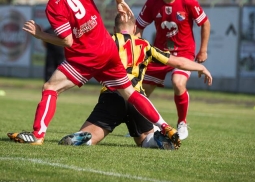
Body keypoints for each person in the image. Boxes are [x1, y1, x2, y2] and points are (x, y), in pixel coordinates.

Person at [7, 0, 181, 148]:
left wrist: (41, 35)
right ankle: (164, 126)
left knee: (50, 87)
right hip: (108, 50)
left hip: (85, 58)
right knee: (130, 92)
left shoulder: (53, 7)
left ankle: (38, 135)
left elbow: (67, 41)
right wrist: (120, 2)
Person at [58, 14, 212, 149]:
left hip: (112, 96)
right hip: (138, 100)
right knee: (144, 138)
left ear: (114, 29)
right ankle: (155, 140)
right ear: (134, 29)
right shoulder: (145, 45)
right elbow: (178, 62)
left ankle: (84, 139)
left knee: (92, 133)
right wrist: (200, 67)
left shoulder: (107, 41)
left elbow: (80, 52)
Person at [135, 0, 211, 140]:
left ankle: (182, 123)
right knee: (140, 91)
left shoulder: (189, 2)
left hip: (184, 53)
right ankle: (143, 126)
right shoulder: (152, 3)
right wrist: (138, 50)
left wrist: (203, 49)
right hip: (160, 54)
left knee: (178, 82)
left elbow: (205, 23)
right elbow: (138, 27)